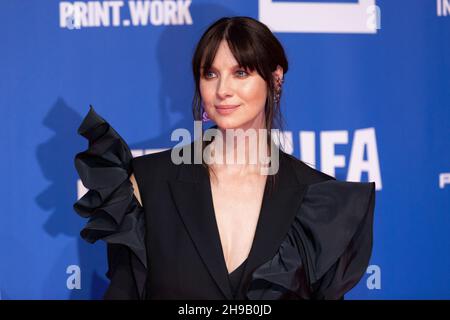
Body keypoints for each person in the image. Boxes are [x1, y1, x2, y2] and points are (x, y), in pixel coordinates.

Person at [73, 16, 375, 300]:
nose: (222, 90)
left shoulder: (318, 200)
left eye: (240, 73)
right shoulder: (148, 182)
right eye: (210, 74)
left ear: (276, 78)